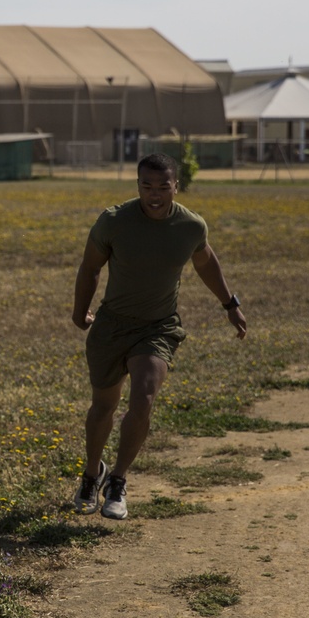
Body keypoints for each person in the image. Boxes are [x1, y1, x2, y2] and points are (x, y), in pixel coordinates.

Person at [71, 152, 246, 520]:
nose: (154, 194)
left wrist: (230, 304)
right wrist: (79, 309)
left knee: (144, 397)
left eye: (163, 186)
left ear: (175, 187)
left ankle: (117, 481)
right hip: (112, 324)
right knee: (103, 406)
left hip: (158, 327)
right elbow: (90, 267)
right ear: (137, 186)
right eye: (146, 186)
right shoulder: (114, 221)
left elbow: (205, 261)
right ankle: (92, 474)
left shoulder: (191, 226)